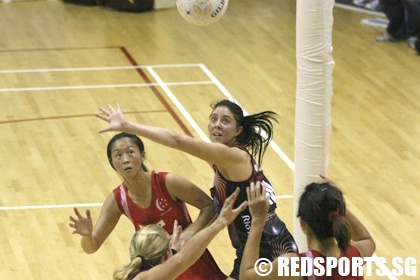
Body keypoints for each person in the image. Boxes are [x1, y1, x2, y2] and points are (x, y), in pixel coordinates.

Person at [95, 101, 299, 279]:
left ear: (238, 130)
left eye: (225, 121)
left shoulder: (230, 156)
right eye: (213, 119)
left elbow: (177, 140)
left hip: (272, 249)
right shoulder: (223, 161)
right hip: (250, 251)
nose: (217, 124)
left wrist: (127, 126)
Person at [69, 132, 227, 279]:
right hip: (155, 273)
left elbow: (210, 206)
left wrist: (188, 234)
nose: (125, 160)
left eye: (130, 152)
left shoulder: (168, 182)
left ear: (142, 155)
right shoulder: (117, 200)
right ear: (112, 163)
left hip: (190, 260)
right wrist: (87, 235)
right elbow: (91, 246)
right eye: (118, 155)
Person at [240, 178, 376, 280]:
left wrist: (258, 221)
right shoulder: (354, 255)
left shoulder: (296, 265)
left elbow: (246, 276)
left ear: (302, 222)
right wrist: (336, 203)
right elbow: (367, 239)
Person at [113, 188, 248, 280]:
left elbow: (177, 261)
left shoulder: (136, 273)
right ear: (165, 255)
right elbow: (183, 259)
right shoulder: (148, 278)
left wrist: (173, 251)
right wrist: (218, 223)